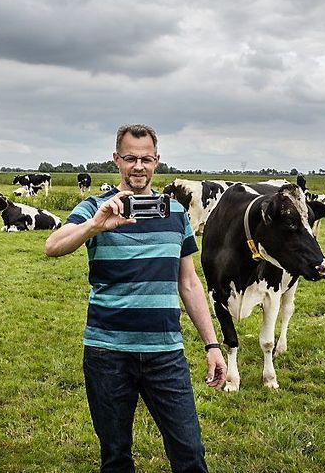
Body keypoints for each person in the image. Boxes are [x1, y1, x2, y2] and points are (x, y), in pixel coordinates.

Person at [45, 123, 227, 473]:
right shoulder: (95, 208)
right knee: (115, 456)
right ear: (117, 160)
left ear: (157, 161)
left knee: (189, 453)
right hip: (107, 352)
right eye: (130, 158)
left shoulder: (176, 213)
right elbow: (52, 246)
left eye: (146, 159)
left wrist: (212, 345)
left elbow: (188, 283)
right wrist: (96, 225)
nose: (138, 167)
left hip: (165, 353)